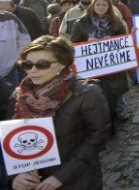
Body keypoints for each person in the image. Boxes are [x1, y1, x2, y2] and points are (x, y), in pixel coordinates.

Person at [10, 36, 110, 190]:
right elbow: (10, 140)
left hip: (77, 181)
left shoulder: (86, 93)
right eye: (27, 64)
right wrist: (14, 176)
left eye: (42, 64)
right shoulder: (20, 95)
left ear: (62, 64)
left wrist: (63, 175)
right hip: (32, 181)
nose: (32, 70)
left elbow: (98, 136)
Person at [70, 0, 129, 125]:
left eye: (104, 5)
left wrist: (113, 40)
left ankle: (112, 122)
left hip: (113, 66)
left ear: (109, 7)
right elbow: (73, 44)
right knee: (94, 95)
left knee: (113, 95)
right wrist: (86, 42)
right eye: (98, 4)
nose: (101, 7)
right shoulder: (81, 23)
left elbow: (125, 41)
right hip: (91, 67)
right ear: (93, 6)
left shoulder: (116, 21)